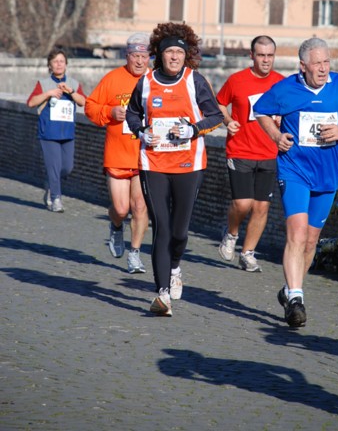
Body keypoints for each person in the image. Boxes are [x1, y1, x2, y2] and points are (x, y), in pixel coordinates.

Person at [253, 37, 338, 328]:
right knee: (297, 232)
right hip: (294, 170)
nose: (323, 68)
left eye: (327, 62)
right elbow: (261, 111)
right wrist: (277, 137)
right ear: (302, 66)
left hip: (327, 174)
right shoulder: (286, 88)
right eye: (317, 63)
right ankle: (296, 300)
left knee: (311, 240)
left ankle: (291, 288)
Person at [126, 22, 224, 317]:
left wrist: (193, 130)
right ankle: (162, 293)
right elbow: (132, 114)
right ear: (160, 55)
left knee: (180, 231)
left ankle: (176, 267)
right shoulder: (145, 83)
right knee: (162, 227)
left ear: (185, 56)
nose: (174, 58)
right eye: (169, 52)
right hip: (153, 163)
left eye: (178, 53)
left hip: (188, 164)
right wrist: (141, 132)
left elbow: (216, 116)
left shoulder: (195, 81)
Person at [216, 35, 285, 272]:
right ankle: (232, 233)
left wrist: (282, 120)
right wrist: (227, 120)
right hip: (240, 149)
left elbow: (291, 112)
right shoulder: (237, 80)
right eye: (261, 55)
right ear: (252, 56)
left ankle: (248, 253)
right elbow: (219, 103)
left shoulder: (282, 83)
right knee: (243, 204)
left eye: (270, 55)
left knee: (261, 207)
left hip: (269, 152)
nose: (266, 60)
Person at [84, 33, 150, 274]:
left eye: (144, 56)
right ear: (127, 56)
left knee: (140, 207)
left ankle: (135, 254)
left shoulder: (155, 80)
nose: (140, 61)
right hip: (118, 154)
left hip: (146, 155)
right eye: (136, 56)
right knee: (121, 209)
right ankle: (115, 224)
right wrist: (110, 112)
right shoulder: (112, 79)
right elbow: (90, 106)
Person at [27, 47, 86, 213]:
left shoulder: (74, 83)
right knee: (53, 166)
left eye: (61, 61)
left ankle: (51, 186)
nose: (59, 64)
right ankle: (56, 199)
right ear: (50, 66)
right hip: (48, 133)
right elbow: (31, 102)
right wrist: (49, 93)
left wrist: (71, 92)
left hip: (67, 133)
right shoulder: (43, 84)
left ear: (66, 65)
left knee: (67, 167)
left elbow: (83, 102)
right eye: (55, 62)